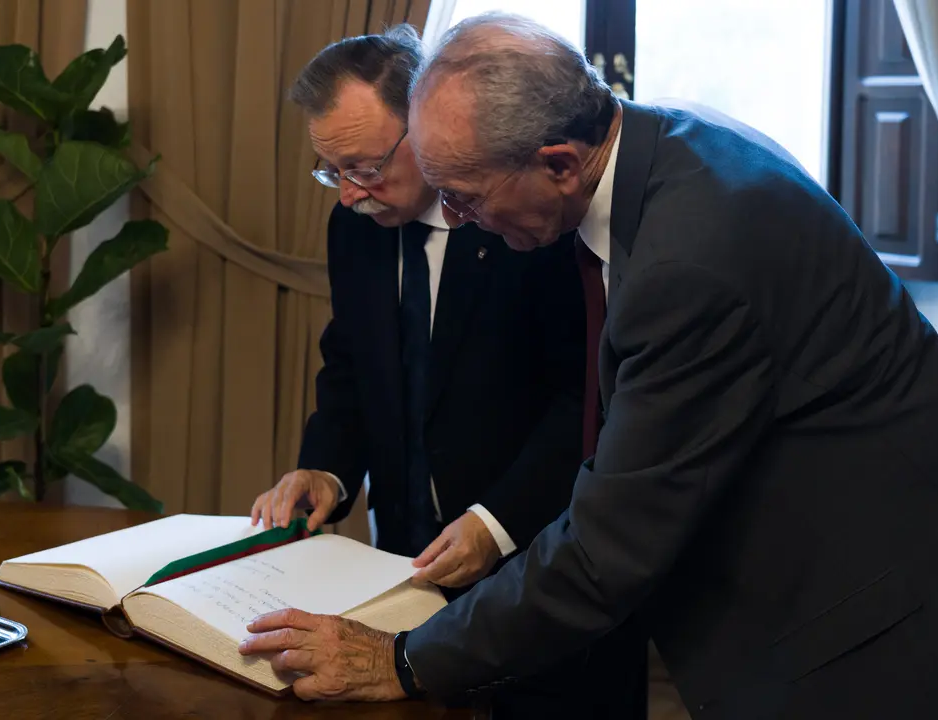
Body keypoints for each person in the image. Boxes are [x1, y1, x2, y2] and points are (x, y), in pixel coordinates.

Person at [239, 13, 938, 719]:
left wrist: (402, 660)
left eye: (467, 196)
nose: (454, 218)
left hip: (859, 619)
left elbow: (609, 545)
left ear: (557, 162)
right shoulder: (667, 145)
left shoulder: (687, 265)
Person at [247, 24, 647, 718]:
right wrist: (328, 470)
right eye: (331, 171)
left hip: (540, 567)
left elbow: (587, 396)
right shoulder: (355, 225)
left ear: (426, 128)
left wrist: (496, 523)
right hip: (408, 567)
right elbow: (351, 360)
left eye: (365, 167)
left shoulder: (531, 217)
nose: (348, 193)